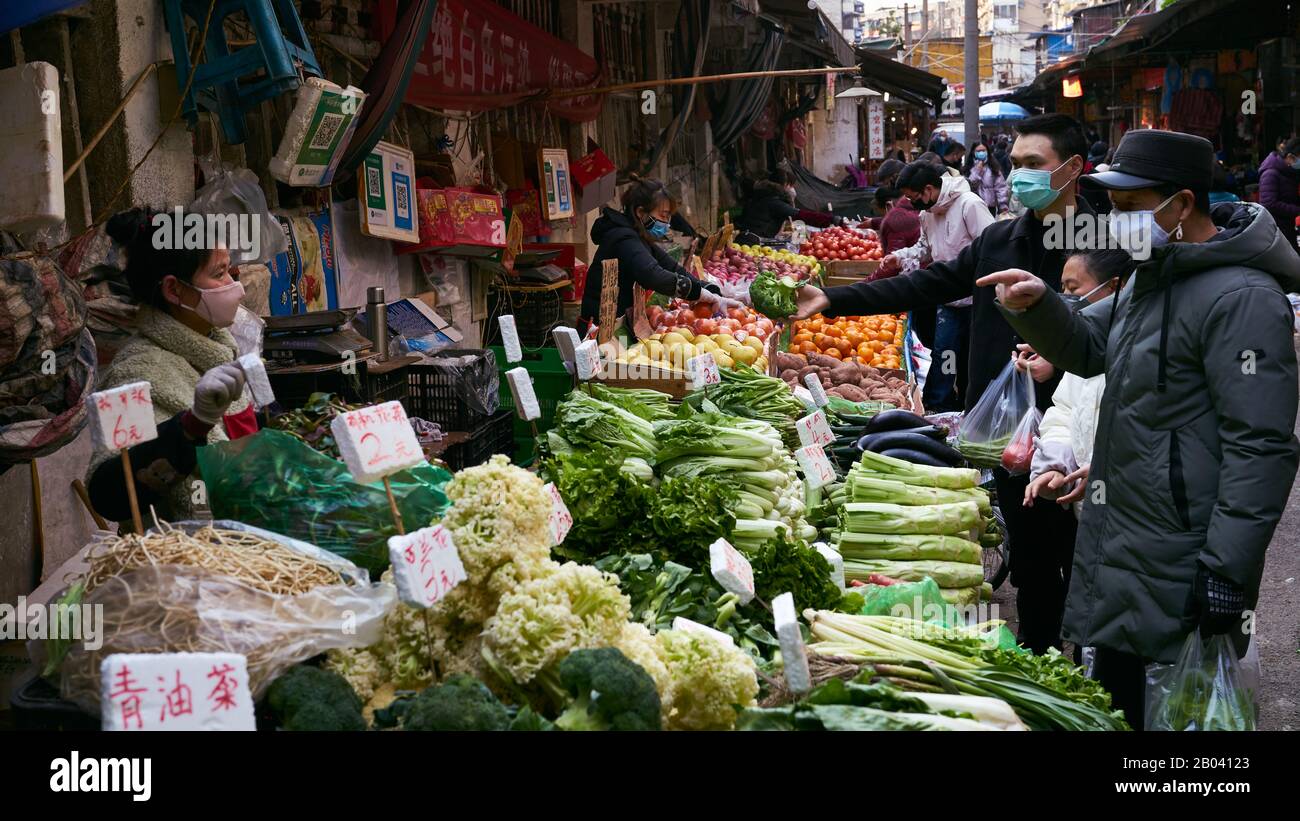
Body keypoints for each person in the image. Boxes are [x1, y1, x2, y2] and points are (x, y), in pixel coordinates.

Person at [977, 129, 1300, 728]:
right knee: (1122, 705)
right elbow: (1087, 345)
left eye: (1130, 207)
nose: (1116, 222)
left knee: (1183, 720)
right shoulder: (1150, 277)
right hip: (1127, 535)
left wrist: (1227, 567)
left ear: (1180, 205)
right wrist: (1039, 303)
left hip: (1185, 547)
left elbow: (1262, 446)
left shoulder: (1244, 298)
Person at [793, 113, 1094, 654]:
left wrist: (1064, 357)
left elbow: (1124, 330)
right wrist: (836, 299)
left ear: (1071, 169)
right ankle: (1041, 660)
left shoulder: (1108, 242)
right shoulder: (1001, 239)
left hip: (1080, 429)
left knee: (1084, 559)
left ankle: (1092, 664)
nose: (1021, 176)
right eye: (1017, 164)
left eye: (1034, 165)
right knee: (1029, 559)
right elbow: (930, 283)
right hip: (1006, 433)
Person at [87, 207, 256, 525]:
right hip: (179, 564)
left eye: (231, 272)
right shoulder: (133, 372)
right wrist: (192, 427)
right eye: (219, 274)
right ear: (174, 290)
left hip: (248, 555)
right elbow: (108, 495)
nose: (236, 286)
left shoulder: (219, 351)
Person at [1023, 249, 1132, 516]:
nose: (1066, 298)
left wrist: (1106, 471)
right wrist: (1054, 466)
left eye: (1073, 288)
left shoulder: (1141, 348)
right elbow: (1065, 412)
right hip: (1088, 511)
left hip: (1136, 511)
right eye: (1062, 288)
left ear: (1114, 288)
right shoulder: (1083, 351)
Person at [880, 161, 995, 412]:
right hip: (948, 298)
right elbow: (925, 249)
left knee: (973, 357)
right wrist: (899, 256)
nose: (912, 204)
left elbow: (992, 246)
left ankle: (970, 404)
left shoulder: (969, 205)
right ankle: (939, 405)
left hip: (978, 298)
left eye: (913, 197)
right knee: (946, 354)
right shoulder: (927, 214)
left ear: (929, 189)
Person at [583, 176, 738, 336]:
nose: (667, 222)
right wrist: (697, 293)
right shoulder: (623, 238)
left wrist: (713, 292)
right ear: (641, 212)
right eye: (663, 216)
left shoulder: (638, 237)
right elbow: (653, 275)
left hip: (619, 324)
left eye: (669, 216)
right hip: (600, 330)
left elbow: (672, 267)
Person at [735, 171, 841, 239]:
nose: (791, 188)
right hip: (755, 240)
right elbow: (801, 216)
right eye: (788, 185)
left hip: (747, 237)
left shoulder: (759, 196)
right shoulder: (774, 202)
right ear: (783, 186)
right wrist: (831, 219)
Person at [1257, 136, 1300, 251]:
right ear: (1290, 157)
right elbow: (1269, 203)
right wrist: (1297, 210)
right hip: (1275, 229)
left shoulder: (1289, 172)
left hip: (1287, 226)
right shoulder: (1270, 173)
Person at [864, 186, 921, 261]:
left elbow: (892, 262)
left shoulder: (895, 224)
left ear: (888, 206)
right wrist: (873, 222)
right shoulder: (912, 210)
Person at [965, 141, 1009, 214]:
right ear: (973, 152)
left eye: (983, 150)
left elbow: (1001, 187)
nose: (981, 153)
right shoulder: (968, 167)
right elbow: (970, 184)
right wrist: (977, 171)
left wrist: (1003, 205)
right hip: (973, 205)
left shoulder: (993, 167)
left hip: (990, 207)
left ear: (987, 151)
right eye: (978, 151)